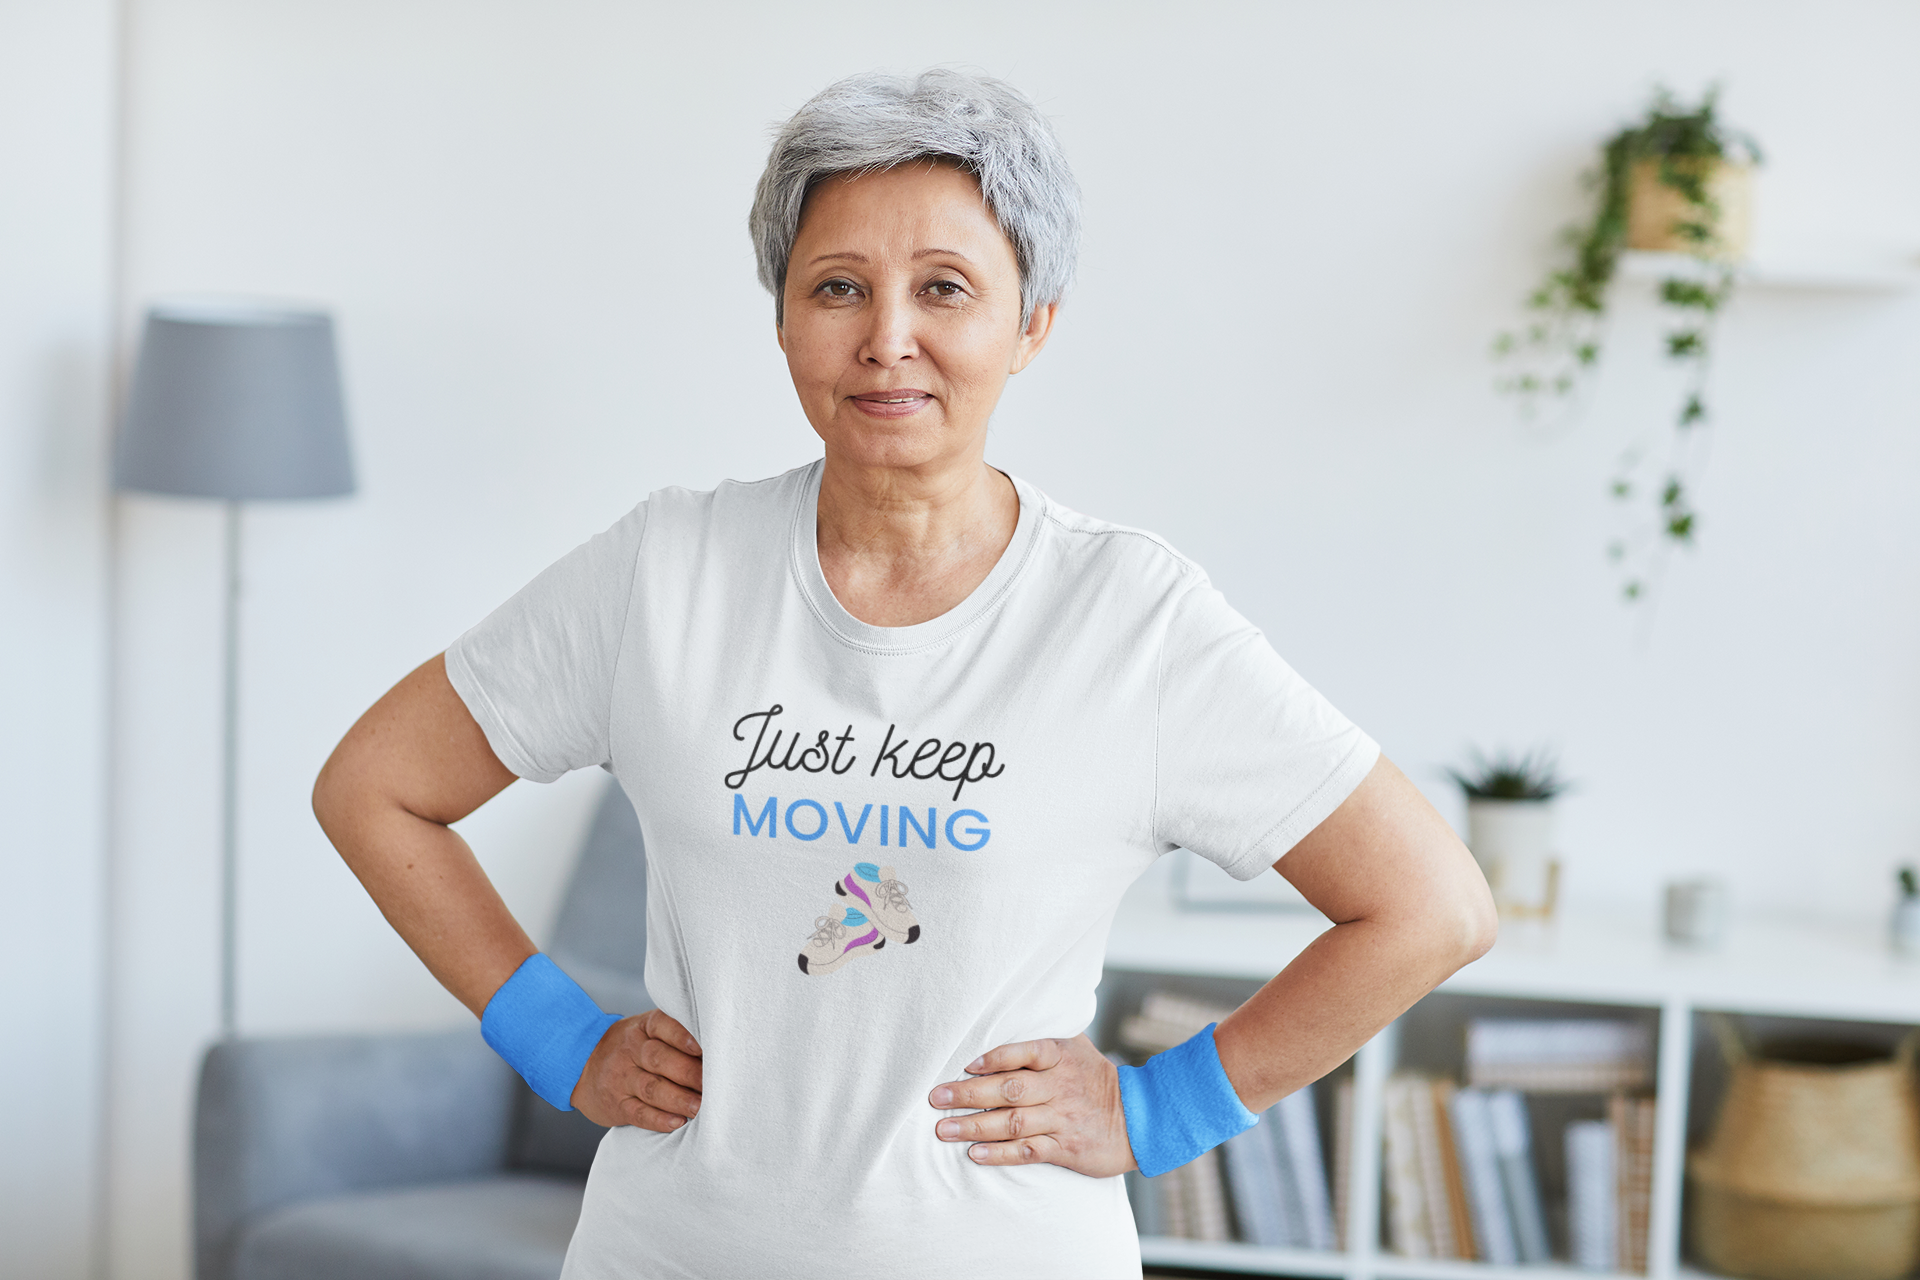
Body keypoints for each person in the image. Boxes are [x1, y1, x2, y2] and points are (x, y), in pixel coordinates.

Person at [313, 68, 1496, 1279]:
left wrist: (1162, 1110)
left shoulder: (1130, 618)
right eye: (838, 288)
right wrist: (560, 1040)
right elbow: (375, 785)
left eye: (945, 288)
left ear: (1031, 322)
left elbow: (1431, 906)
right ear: (782, 317)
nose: (887, 339)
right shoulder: (663, 570)